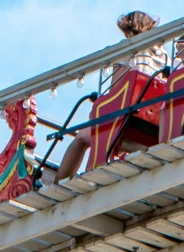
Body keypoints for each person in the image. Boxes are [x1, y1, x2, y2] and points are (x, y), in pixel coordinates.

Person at [52, 10, 165, 180]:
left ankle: (58, 183)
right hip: (154, 122)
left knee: (81, 138)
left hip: (125, 119)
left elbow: (117, 91)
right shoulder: (163, 57)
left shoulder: (126, 50)